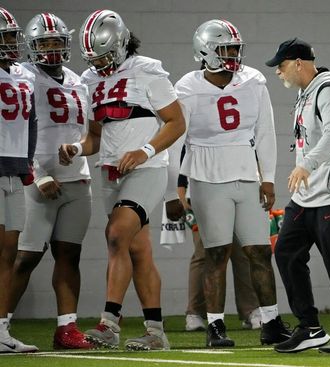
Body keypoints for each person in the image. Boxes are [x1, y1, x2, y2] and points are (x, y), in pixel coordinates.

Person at [58, 9, 185, 351]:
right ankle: (156, 332)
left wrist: (144, 150)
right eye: (93, 60)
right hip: (110, 172)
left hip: (146, 169)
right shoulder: (90, 79)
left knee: (115, 235)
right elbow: (96, 137)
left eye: (103, 57)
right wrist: (75, 147)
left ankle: (109, 323)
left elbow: (176, 122)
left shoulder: (147, 71)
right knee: (139, 250)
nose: (98, 66)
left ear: (120, 44)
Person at [170, 19, 291, 348]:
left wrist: (267, 178)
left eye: (235, 49)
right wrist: (172, 188)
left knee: (260, 252)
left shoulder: (253, 80)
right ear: (205, 51)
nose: (232, 55)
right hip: (207, 178)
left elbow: (265, 132)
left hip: (246, 176)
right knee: (216, 254)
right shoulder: (186, 87)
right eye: (225, 49)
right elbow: (174, 138)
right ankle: (215, 327)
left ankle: (271, 322)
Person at [265, 38, 330, 354]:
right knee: (285, 251)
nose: (278, 73)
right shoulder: (304, 94)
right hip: (307, 196)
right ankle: (310, 327)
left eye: (281, 66)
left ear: (299, 62)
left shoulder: (328, 88)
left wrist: (307, 165)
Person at [8, 13, 93, 350]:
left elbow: (86, 133)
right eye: (45, 42)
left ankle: (67, 328)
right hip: (35, 180)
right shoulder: (24, 77)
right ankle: (2, 324)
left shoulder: (77, 80)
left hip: (76, 179)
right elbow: (16, 129)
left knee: (69, 255)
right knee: (25, 257)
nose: (53, 48)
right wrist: (38, 175)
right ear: (32, 46)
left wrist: (79, 150)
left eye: (58, 41)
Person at [166, 173, 261, 332]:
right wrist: (180, 193)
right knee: (204, 254)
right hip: (205, 192)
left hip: (241, 191)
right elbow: (185, 159)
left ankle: (250, 310)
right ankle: (195, 313)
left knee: (242, 253)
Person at [0, 7, 39, 353]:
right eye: (7, 36)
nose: (12, 43)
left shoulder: (23, 77)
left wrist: (27, 162)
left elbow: (31, 122)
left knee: (8, 253)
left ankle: (0, 331)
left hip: (13, 170)